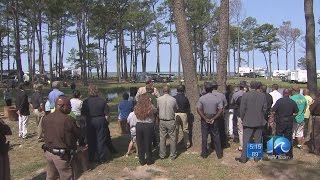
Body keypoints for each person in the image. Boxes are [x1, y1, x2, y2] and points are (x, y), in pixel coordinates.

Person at [42, 96, 80, 180]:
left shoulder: (46, 118)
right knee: (67, 176)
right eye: (69, 105)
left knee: (51, 176)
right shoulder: (67, 119)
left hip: (49, 153)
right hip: (62, 156)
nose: (70, 107)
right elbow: (78, 134)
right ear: (63, 106)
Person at [235, 81, 267, 163]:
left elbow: (242, 109)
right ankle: (256, 158)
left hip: (248, 120)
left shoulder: (245, 95)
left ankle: (243, 158)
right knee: (258, 139)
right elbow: (265, 109)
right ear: (258, 87)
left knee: (246, 140)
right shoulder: (262, 95)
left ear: (250, 86)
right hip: (259, 120)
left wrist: (243, 118)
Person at [82, 85, 111, 163]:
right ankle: (101, 158)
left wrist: (85, 124)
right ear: (97, 91)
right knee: (101, 139)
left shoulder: (85, 102)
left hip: (90, 120)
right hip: (100, 120)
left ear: (89, 92)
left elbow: (83, 115)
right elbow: (107, 115)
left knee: (91, 139)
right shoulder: (102, 101)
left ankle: (91, 157)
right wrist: (107, 122)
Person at [197, 81, 223, 159]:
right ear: (212, 89)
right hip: (214, 118)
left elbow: (198, 109)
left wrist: (205, 118)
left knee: (204, 137)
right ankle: (219, 154)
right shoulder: (217, 98)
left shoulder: (202, 98)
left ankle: (204, 154)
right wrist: (214, 118)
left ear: (205, 89)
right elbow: (220, 109)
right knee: (216, 136)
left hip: (205, 119)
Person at [271, 89, 298, 158]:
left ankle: (277, 153)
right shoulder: (292, 102)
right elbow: (296, 112)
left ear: (283, 93)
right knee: (288, 138)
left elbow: (273, 111)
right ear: (289, 94)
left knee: (278, 137)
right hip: (289, 121)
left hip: (280, 121)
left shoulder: (279, 101)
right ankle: (289, 154)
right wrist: (292, 116)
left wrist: (274, 117)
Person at [157, 86, 178, 160]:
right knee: (173, 138)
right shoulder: (173, 99)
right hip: (171, 120)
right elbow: (176, 109)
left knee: (162, 138)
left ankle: (162, 155)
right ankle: (173, 155)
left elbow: (157, 109)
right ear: (169, 91)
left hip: (162, 120)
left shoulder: (158, 99)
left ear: (163, 91)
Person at [135, 94, 157, 165]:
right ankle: (149, 160)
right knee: (148, 143)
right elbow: (155, 111)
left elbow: (135, 113)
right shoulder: (151, 106)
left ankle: (141, 160)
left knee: (140, 143)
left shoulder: (136, 107)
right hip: (148, 125)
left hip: (139, 125)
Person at [230, 81, 246, 150]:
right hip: (246, 112)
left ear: (239, 87)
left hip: (238, 111)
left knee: (237, 126)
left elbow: (232, 102)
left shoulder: (235, 94)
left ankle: (237, 139)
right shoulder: (247, 94)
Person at [174, 84, 191, 149]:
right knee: (185, 130)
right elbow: (188, 108)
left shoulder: (174, 97)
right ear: (184, 90)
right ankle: (186, 144)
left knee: (176, 130)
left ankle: (174, 144)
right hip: (184, 114)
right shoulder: (185, 98)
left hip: (175, 114)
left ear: (177, 90)